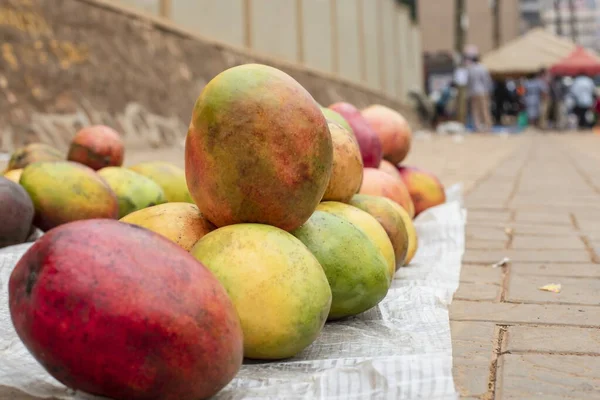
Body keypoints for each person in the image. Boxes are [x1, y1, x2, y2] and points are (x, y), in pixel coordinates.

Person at [467, 55, 493, 132]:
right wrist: (489, 91)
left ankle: (477, 127)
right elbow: (486, 80)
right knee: (484, 109)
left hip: (473, 92)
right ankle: (488, 126)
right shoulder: (483, 68)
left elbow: (469, 82)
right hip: (482, 91)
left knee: (475, 111)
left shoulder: (470, 69)